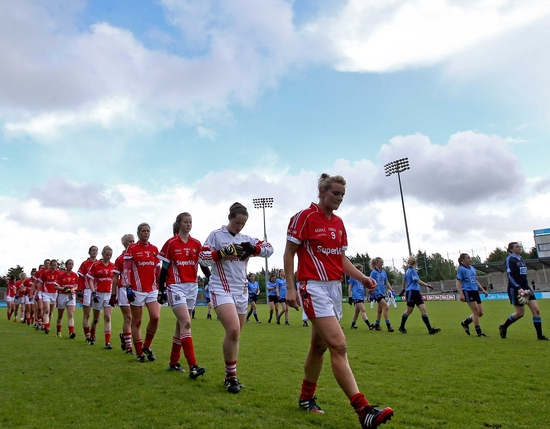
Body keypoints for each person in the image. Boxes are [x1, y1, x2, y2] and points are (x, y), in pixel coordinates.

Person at [284, 173, 394, 428]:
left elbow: (340, 259)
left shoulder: (339, 223)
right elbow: (289, 253)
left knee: (319, 347)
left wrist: (363, 277)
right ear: (322, 192)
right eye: (335, 193)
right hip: (312, 287)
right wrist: (290, 287)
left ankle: (305, 398)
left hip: (334, 289)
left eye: (343, 195)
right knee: (339, 345)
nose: (340, 199)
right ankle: (363, 410)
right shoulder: (304, 217)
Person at [199, 202, 273, 394]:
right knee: (232, 330)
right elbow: (203, 257)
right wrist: (221, 253)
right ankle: (231, 377)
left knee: (236, 334)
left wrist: (254, 250)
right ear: (229, 218)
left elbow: (269, 248)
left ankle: (229, 374)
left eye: (243, 223)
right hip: (221, 288)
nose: (239, 226)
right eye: (237, 222)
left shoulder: (246, 238)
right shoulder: (216, 235)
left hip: (241, 290)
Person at [158, 212, 208, 379]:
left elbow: (202, 265)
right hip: (175, 286)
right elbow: (164, 268)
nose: (189, 224)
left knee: (181, 326)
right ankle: (193, 365)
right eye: (186, 222)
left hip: (192, 287)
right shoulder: (171, 243)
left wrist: (211, 278)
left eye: (190, 222)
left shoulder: (196, 243)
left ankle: (173, 362)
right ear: (179, 224)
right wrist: (160, 289)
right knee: (186, 322)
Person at [497, 242, 550, 341]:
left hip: (526, 287)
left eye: (519, 246)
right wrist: (518, 288)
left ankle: (539, 336)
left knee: (536, 310)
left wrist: (524, 287)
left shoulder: (521, 259)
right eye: (517, 247)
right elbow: (510, 276)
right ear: (511, 249)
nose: (519, 248)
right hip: (515, 288)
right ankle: (504, 326)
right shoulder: (510, 259)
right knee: (520, 313)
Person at [125, 223, 162, 362]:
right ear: (138, 233)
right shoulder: (132, 248)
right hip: (136, 290)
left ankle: (147, 346)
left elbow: (158, 269)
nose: (146, 233)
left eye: (148, 231)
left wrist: (162, 285)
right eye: (143, 231)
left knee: (155, 317)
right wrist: (128, 286)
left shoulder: (154, 249)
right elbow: (127, 269)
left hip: (152, 289)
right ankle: (139, 352)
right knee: (137, 321)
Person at [399, 257, 440, 335]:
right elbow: (417, 280)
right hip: (412, 292)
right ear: (415, 263)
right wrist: (427, 285)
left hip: (415, 292)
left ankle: (430, 329)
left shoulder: (407, 271)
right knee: (409, 310)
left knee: (423, 309)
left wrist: (403, 289)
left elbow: (403, 280)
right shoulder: (412, 271)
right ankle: (401, 327)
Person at [87, 246, 115, 347]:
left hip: (109, 293)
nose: (109, 256)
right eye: (107, 254)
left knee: (107, 317)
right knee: (96, 319)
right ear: (102, 254)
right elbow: (90, 279)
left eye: (110, 255)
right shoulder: (96, 265)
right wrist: (93, 292)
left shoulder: (113, 266)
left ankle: (107, 342)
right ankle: (92, 335)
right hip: (98, 294)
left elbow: (115, 279)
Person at [456, 253, 489, 337]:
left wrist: (483, 290)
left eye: (469, 258)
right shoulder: (461, 269)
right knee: (476, 312)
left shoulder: (472, 268)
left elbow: (475, 280)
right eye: (467, 258)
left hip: (475, 291)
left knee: (480, 313)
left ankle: (465, 323)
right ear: (463, 260)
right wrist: (461, 293)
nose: (470, 259)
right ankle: (479, 332)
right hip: (468, 291)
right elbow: (458, 281)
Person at [113, 235, 135, 353]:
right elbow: (115, 278)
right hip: (124, 289)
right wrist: (113, 294)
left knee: (135, 319)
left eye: (133, 241)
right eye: (129, 241)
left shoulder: (137, 256)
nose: (132, 243)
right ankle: (129, 347)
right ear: (124, 243)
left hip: (137, 290)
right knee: (128, 317)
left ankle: (124, 336)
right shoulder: (120, 259)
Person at [78, 246, 98, 342]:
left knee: (97, 315)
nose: (94, 252)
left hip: (98, 290)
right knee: (87, 314)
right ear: (89, 252)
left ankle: (93, 332)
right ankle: (87, 335)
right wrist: (80, 289)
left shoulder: (99, 263)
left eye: (96, 251)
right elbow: (81, 278)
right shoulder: (85, 264)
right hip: (87, 290)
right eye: (93, 250)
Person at [369, 257, 394, 332]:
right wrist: (371, 291)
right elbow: (370, 282)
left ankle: (377, 325)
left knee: (379, 310)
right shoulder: (373, 272)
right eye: (380, 262)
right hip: (376, 292)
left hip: (382, 292)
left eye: (382, 262)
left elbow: (386, 281)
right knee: (386, 307)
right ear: (376, 263)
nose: (382, 264)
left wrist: (391, 289)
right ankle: (388, 326)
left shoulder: (383, 272)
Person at [56, 260, 78, 338]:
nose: (71, 266)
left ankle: (71, 332)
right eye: (69, 264)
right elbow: (56, 286)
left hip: (71, 296)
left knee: (71, 314)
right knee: (60, 315)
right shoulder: (61, 275)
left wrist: (73, 289)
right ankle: (58, 331)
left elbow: (77, 286)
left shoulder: (75, 275)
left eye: (72, 264)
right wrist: (63, 288)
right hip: (62, 296)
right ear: (66, 265)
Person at [40, 260, 62, 335]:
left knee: (51, 311)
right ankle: (46, 326)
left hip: (54, 294)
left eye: (55, 265)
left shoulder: (59, 273)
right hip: (46, 293)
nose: (54, 267)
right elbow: (40, 282)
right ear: (50, 265)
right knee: (46, 309)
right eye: (52, 265)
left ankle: (48, 324)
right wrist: (37, 292)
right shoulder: (45, 273)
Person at [348, 265, 371, 329]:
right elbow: (350, 287)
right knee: (363, 310)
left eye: (362, 270)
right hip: (356, 296)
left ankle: (353, 324)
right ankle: (369, 325)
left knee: (357, 311)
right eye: (360, 270)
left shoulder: (362, 277)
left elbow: (365, 286)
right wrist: (350, 297)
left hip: (361, 296)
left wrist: (369, 290)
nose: (361, 271)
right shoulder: (353, 277)